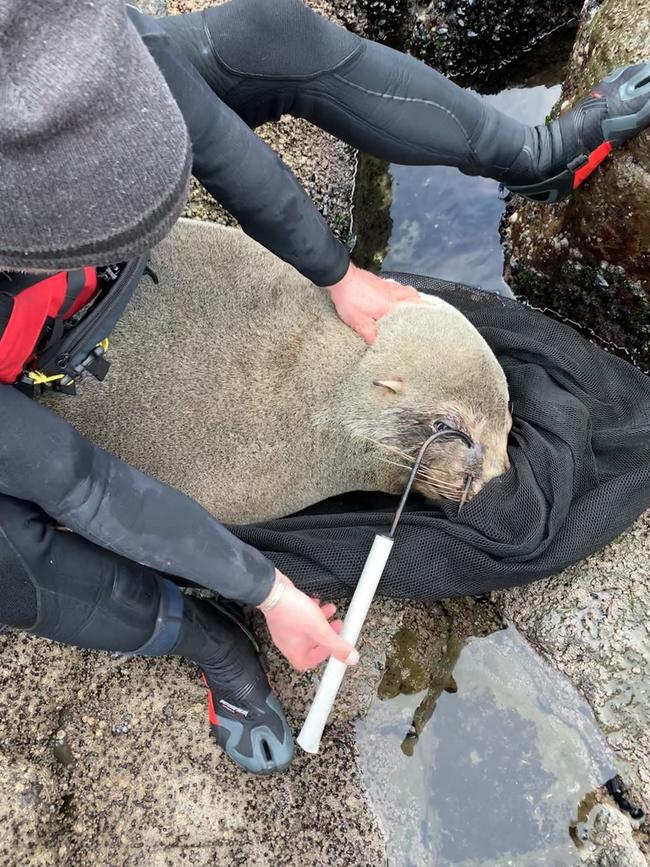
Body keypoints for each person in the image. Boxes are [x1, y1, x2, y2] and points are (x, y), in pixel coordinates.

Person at [0, 0, 648, 775]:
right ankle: (207, 639)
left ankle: (533, 155)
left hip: (53, 216)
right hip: (29, 340)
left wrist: (335, 272)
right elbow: (80, 482)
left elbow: (206, 131)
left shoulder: (56, 30)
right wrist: (266, 590)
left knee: (264, 37)